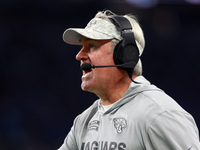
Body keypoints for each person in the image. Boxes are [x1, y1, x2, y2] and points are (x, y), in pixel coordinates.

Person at [58, 10, 200, 150]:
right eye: (82, 47)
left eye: (92, 46)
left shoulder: (160, 116)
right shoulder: (83, 122)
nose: (79, 55)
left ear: (125, 54)